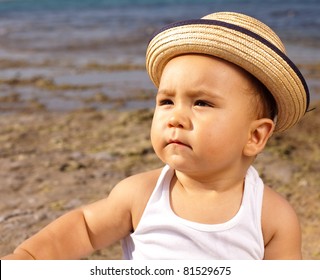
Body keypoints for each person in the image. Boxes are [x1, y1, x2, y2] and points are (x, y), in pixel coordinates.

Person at [1, 11, 310, 260]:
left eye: (201, 103)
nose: (175, 116)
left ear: (255, 136)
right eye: (166, 101)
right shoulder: (142, 195)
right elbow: (84, 228)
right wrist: (28, 257)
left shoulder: (271, 217)